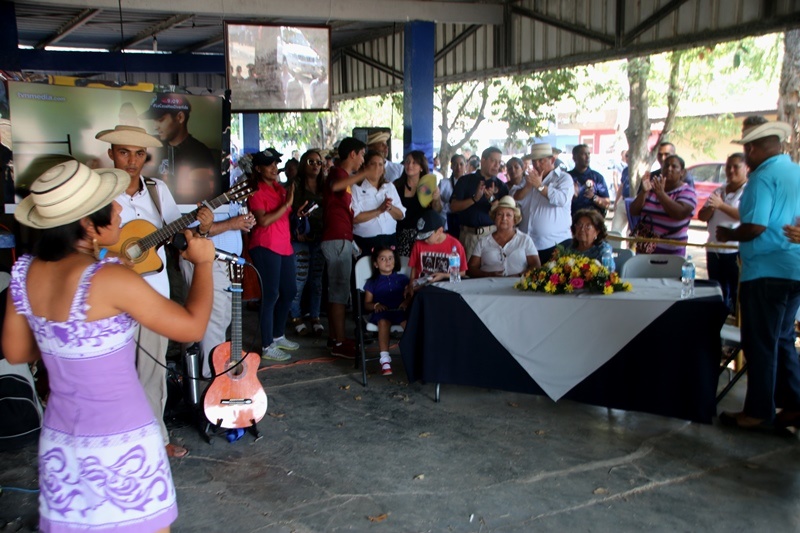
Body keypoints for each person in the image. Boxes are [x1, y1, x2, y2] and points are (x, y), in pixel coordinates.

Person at [3, 160, 214, 532]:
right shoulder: (109, 279)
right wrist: (204, 264)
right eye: (108, 202)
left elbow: (18, 352)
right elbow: (192, 327)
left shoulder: (24, 272)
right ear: (87, 223)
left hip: (62, 443)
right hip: (122, 441)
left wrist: (63, 339)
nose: (118, 207)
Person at [97, 124, 208, 458]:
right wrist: (111, 257)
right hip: (109, 298)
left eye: (139, 154)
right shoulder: (99, 192)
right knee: (111, 374)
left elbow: (177, 234)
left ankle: (156, 439)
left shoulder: (157, 191)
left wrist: (201, 227)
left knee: (153, 370)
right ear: (111, 153)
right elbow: (86, 243)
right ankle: (114, 442)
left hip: (154, 295)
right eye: (124, 152)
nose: (132, 161)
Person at [717, 120, 800, 431]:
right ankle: (794, 405)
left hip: (765, 272)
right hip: (793, 268)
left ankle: (758, 411)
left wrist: (728, 233)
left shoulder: (763, 177)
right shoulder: (795, 172)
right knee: (782, 338)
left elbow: (755, 227)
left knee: (760, 342)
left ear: (751, 149)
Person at [180, 166, 256, 379]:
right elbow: (189, 232)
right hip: (208, 262)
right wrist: (232, 224)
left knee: (221, 318)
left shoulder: (226, 195)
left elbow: (234, 223)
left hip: (226, 264)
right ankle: (211, 375)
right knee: (213, 321)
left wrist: (244, 223)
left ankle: (204, 370)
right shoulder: (190, 194)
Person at [322, 137, 381, 358]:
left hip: (342, 237)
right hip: (336, 237)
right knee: (338, 291)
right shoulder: (339, 173)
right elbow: (335, 186)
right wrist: (364, 174)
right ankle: (339, 342)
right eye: (362, 155)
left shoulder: (345, 178)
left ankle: (335, 338)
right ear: (353, 154)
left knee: (338, 290)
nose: (363, 160)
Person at [248, 148, 301, 362]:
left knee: (289, 290)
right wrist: (287, 204)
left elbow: (284, 215)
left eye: (275, 163)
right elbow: (263, 220)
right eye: (269, 164)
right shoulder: (255, 190)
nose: (274, 167)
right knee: (270, 294)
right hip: (265, 244)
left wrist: (297, 211)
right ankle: (267, 345)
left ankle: (278, 335)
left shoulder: (279, 188)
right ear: (258, 168)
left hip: (284, 244)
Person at [141, 92, 219, 204]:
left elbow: (205, 198)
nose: (155, 127)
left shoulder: (201, 154)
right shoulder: (151, 145)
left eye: (160, 120)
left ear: (180, 117)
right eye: (154, 121)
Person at [697, 152, 747, 315]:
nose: (731, 170)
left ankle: (734, 322)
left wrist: (721, 205)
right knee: (716, 291)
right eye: (728, 167)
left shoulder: (748, 191)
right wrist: (712, 207)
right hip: (714, 249)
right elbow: (702, 216)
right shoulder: (719, 190)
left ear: (746, 168)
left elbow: (744, 215)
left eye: (736, 167)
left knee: (735, 294)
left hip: (734, 251)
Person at [513, 143, 573, 264]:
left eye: (541, 160)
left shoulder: (564, 178)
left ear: (552, 160)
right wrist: (528, 186)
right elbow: (513, 197)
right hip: (528, 244)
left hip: (556, 243)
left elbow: (561, 200)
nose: (537, 164)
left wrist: (539, 186)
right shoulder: (527, 179)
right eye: (534, 161)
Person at [288, 150, 326, 337]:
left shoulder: (325, 186)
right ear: (304, 163)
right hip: (300, 239)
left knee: (316, 281)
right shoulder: (295, 185)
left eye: (319, 162)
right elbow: (287, 211)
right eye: (311, 161)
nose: (316, 165)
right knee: (299, 280)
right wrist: (296, 227)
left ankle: (315, 316)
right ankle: (296, 316)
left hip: (319, 238)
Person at [629, 154, 697, 256]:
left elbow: (679, 213)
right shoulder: (651, 187)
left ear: (682, 172)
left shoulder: (687, 192)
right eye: (666, 166)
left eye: (674, 166)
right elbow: (633, 211)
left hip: (671, 253)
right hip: (645, 250)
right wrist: (643, 192)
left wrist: (661, 194)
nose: (669, 169)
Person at [451, 146, 508, 259]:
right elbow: (453, 207)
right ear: (483, 160)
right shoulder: (465, 180)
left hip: (492, 235)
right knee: (468, 270)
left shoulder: (502, 186)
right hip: (469, 236)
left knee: (492, 267)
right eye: (493, 161)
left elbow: (505, 214)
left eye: (499, 162)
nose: (497, 165)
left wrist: (491, 199)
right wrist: (474, 199)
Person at [363, 246, 411, 377]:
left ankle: (414, 354)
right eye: (383, 259)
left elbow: (410, 295)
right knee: (383, 323)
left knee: (409, 324)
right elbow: (366, 304)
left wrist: (406, 301)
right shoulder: (372, 282)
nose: (388, 261)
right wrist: (376, 305)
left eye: (390, 258)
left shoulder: (403, 279)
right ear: (376, 264)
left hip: (399, 310)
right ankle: (384, 359)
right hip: (382, 312)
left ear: (395, 261)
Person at [467, 196, 539, 278]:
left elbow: (536, 265)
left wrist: (519, 276)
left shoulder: (525, 240)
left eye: (508, 215)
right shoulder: (483, 241)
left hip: (518, 284)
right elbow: (471, 269)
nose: (504, 218)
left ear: (514, 219)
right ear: (495, 218)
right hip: (488, 284)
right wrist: (488, 275)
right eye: (500, 214)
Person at [352, 150, 406, 252]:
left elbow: (401, 215)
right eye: (373, 164)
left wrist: (389, 207)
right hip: (365, 241)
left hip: (389, 240)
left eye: (381, 164)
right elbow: (354, 218)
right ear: (365, 167)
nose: (377, 168)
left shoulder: (389, 186)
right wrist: (379, 210)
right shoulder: (356, 188)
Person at [394, 150, 442, 256]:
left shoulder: (429, 186)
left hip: (423, 236)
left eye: (414, 162)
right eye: (407, 161)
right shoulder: (396, 186)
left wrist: (436, 198)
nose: (410, 165)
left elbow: (437, 210)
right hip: (401, 236)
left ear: (421, 167)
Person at [407, 210, 467, 288]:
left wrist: (443, 276)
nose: (424, 240)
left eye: (427, 237)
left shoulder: (455, 246)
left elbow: (462, 273)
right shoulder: (418, 244)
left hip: (445, 288)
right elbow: (414, 268)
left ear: (439, 231)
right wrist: (411, 286)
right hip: (421, 288)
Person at [569, 144, 611, 216]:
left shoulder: (597, 177)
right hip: (572, 218)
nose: (587, 157)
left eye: (588, 154)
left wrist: (593, 197)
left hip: (592, 218)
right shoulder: (567, 177)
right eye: (583, 154)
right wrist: (571, 196)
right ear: (574, 158)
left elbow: (607, 203)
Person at [438, 153, 467, 237]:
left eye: (461, 164)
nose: (458, 167)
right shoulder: (444, 183)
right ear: (451, 166)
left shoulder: (470, 183)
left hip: (464, 222)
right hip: (446, 221)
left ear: (465, 166)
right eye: (455, 164)